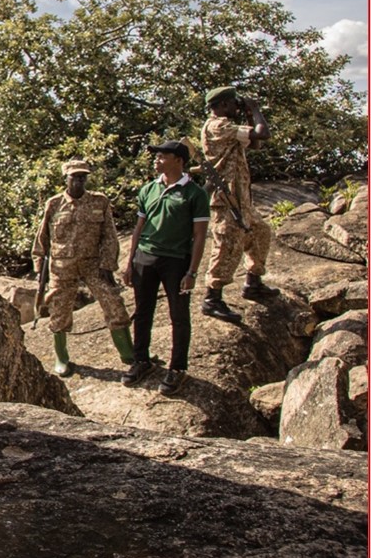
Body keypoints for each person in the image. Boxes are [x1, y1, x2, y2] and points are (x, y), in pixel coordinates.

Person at [119, 140, 210, 396]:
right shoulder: (148, 189)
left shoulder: (195, 193)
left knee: (178, 316)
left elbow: (200, 235)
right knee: (143, 311)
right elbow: (138, 228)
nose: (157, 160)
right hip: (145, 258)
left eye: (162, 156)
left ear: (179, 161)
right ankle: (141, 360)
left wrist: (192, 271)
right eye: (156, 156)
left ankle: (177, 368)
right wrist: (129, 262)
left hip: (176, 260)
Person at [31, 159, 134, 376]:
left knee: (113, 302)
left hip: (93, 264)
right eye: (75, 176)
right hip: (62, 266)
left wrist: (108, 264)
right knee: (59, 310)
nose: (79, 180)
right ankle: (61, 357)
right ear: (66, 178)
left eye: (83, 176)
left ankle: (128, 352)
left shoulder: (99, 202)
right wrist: (39, 266)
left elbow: (109, 235)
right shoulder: (54, 203)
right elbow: (42, 238)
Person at [200, 86, 279, 324]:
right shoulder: (217, 125)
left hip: (240, 198)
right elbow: (263, 134)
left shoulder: (229, 127)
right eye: (234, 103)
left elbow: (255, 143)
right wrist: (254, 110)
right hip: (226, 198)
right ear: (222, 105)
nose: (237, 106)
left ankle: (253, 283)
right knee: (227, 245)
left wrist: (248, 115)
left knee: (260, 232)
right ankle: (212, 298)